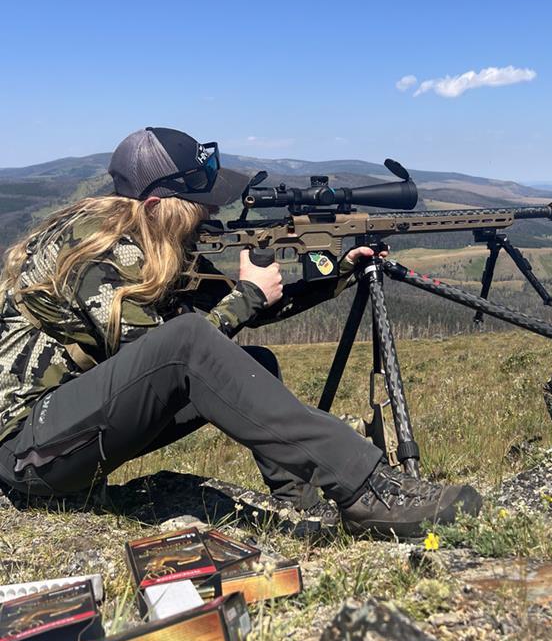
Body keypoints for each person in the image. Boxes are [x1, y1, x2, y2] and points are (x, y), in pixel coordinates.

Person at [0, 127, 481, 538]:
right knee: (190, 342)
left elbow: (242, 311)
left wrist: (336, 275)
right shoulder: (98, 251)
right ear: (159, 205)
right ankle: (368, 490)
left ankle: (300, 501)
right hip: (27, 455)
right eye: (201, 205)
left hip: (65, 437)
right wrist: (247, 296)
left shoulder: (148, 236)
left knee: (256, 364)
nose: (212, 212)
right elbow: (169, 355)